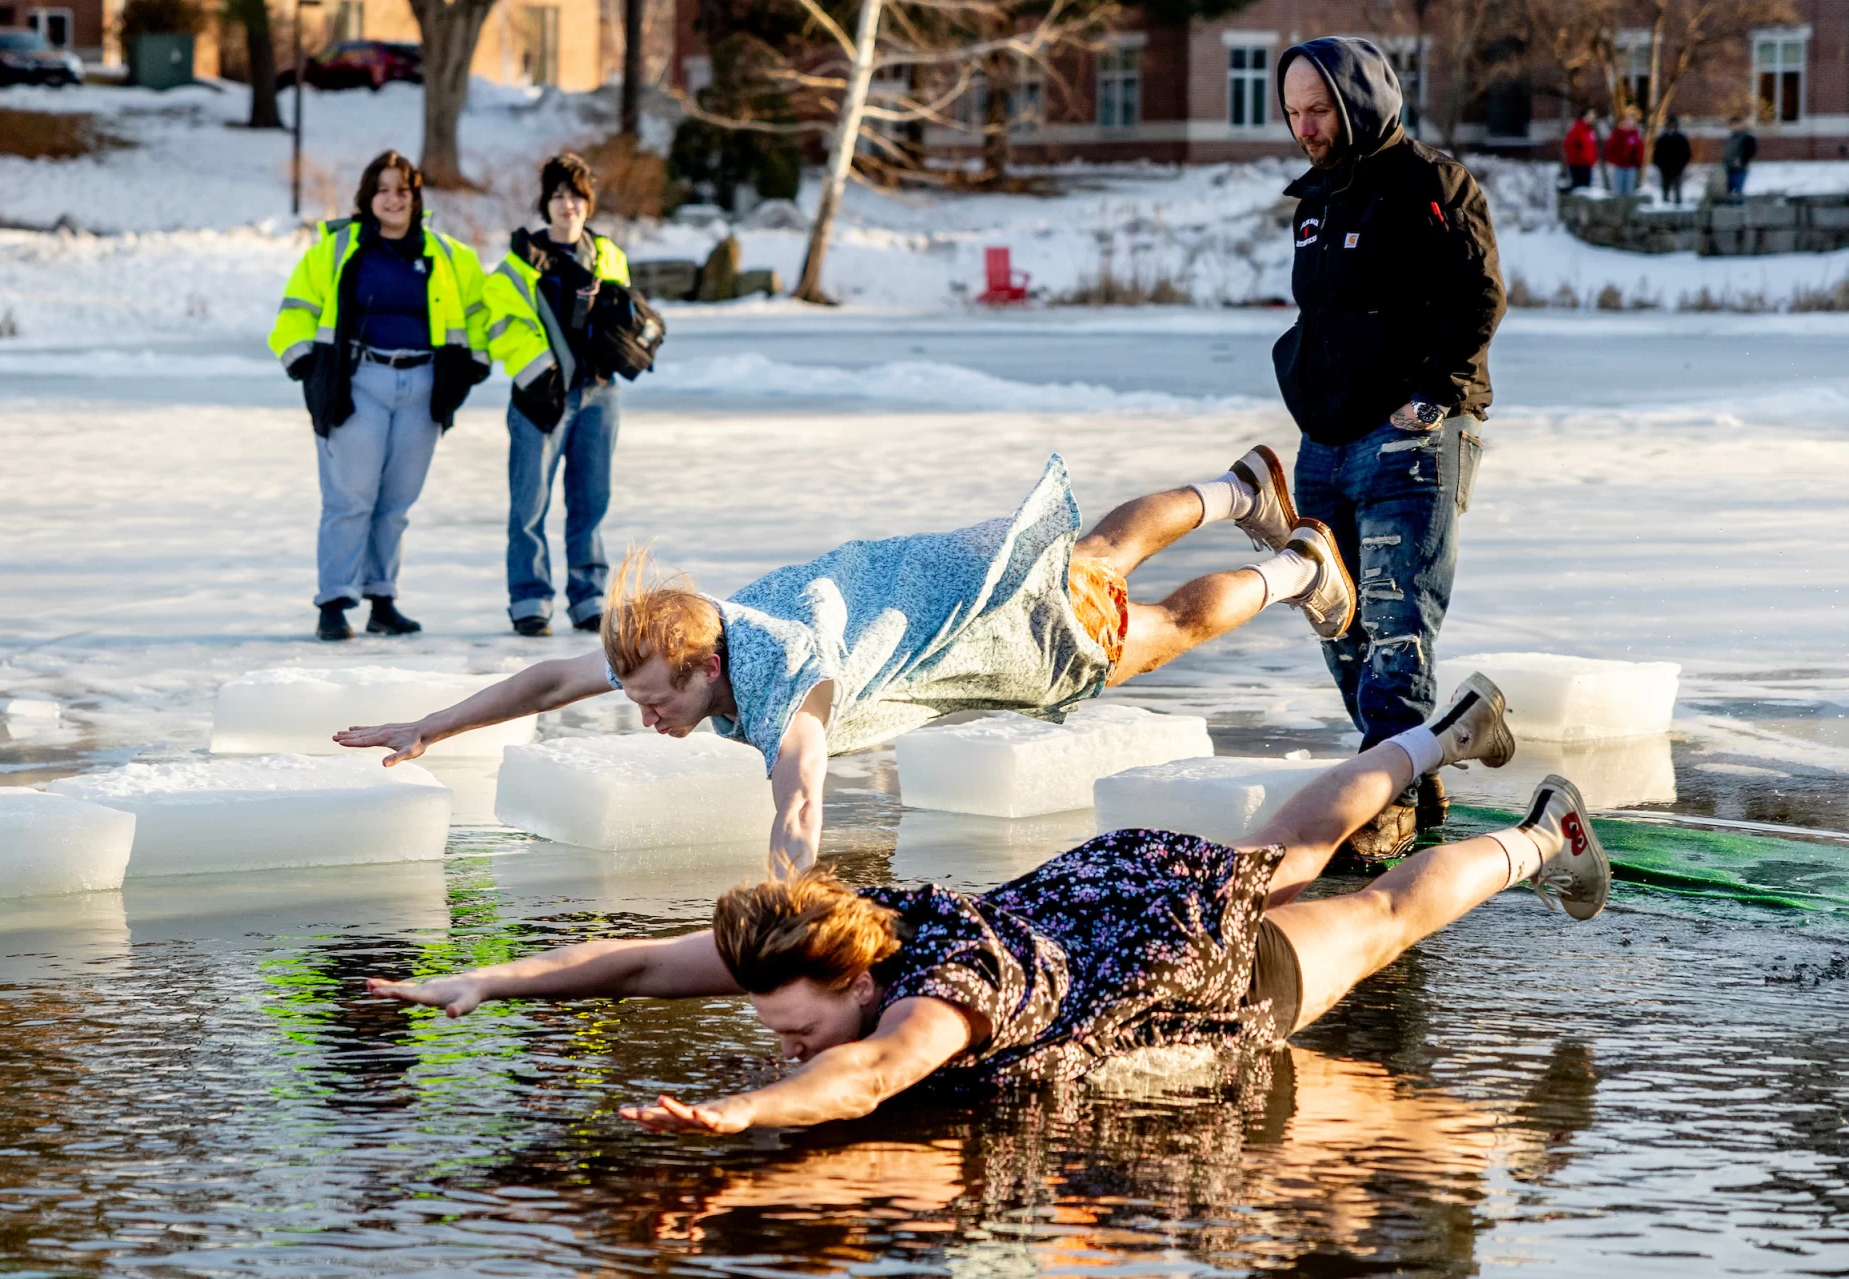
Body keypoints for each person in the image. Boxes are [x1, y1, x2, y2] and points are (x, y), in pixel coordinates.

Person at [366, 675, 1614, 1132]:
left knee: (1386, 912)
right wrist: (481, 981)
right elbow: (637, 965)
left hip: (1187, 965)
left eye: (790, 1024)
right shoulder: (836, 935)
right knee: (1287, 842)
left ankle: (1536, 834)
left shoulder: (932, 1007)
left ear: (856, 982)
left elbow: (852, 1083)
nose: (774, 1034)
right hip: (1116, 887)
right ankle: (1425, 740)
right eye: (768, 1030)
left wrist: (743, 1116)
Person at [334, 451, 1355, 869]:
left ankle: (1298, 570)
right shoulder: (695, 635)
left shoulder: (776, 670)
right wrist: (432, 725)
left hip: (1007, 633)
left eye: (652, 703)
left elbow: (803, 760)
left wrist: (790, 852)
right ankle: (1234, 488)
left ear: (699, 671)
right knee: (1095, 551)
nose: (640, 715)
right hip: (966, 570)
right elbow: (553, 679)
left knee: (1164, 626)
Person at [1271, 38, 1506, 858]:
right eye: (1294, 110)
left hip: (1411, 435)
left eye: (1319, 109)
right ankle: (1405, 766)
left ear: (1360, 99)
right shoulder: (1314, 201)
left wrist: (1432, 395)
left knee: (1395, 617)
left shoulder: (1432, 185)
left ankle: (1386, 798)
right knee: (1335, 620)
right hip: (1326, 442)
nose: (1305, 126)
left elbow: (1480, 295)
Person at [269, 150, 490, 641]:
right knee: (350, 498)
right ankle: (334, 601)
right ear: (368, 197)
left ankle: (382, 599)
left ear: (416, 199)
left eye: (403, 191)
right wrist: (305, 362)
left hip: (424, 386)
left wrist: (475, 361)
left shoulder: (450, 255)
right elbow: (294, 312)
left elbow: (479, 315)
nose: (393, 199)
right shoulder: (335, 248)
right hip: (358, 383)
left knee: (396, 503)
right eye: (384, 189)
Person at [485, 152, 634, 637]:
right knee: (529, 503)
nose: (568, 205)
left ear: (588, 202)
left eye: (576, 196)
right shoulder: (519, 263)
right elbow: (501, 325)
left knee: (591, 501)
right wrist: (539, 372)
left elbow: (622, 318)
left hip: (598, 394)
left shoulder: (609, 255)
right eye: (558, 196)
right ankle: (530, 599)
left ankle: (589, 597)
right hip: (540, 398)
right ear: (545, 203)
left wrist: (629, 339)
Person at [1652, 115, 1691, 204]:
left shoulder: (1681, 138)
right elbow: (1657, 153)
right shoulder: (1662, 138)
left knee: (1677, 187)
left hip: (1678, 167)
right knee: (1665, 186)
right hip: (1665, 167)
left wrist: (1682, 164)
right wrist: (1659, 164)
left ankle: (1678, 202)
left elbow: (1686, 153)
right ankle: (1665, 202)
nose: (1672, 127)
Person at [1605, 110, 1644, 196]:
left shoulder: (1635, 135)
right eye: (1627, 120)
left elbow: (1639, 150)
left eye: (1631, 121)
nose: (1628, 123)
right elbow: (1610, 148)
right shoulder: (1617, 134)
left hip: (1630, 166)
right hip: (1619, 165)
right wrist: (1612, 160)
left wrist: (1638, 162)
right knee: (1618, 190)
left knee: (1629, 190)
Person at [1562, 109, 1598, 191]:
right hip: (1578, 164)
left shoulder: (1589, 131)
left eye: (1593, 116)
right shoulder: (1577, 130)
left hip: (1587, 164)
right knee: (1579, 189)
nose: (1592, 118)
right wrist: (1581, 156)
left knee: (1586, 189)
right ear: (1584, 117)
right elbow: (1568, 145)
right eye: (1590, 115)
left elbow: (1591, 148)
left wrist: (1592, 159)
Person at [1723, 116, 1757, 198]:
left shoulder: (1747, 137)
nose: (1733, 127)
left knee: (1737, 190)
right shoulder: (1732, 137)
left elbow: (1750, 151)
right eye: (1732, 125)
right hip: (1729, 167)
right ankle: (1730, 207)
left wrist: (1741, 161)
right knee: (1728, 190)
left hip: (1739, 168)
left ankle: (1738, 207)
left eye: (1736, 124)